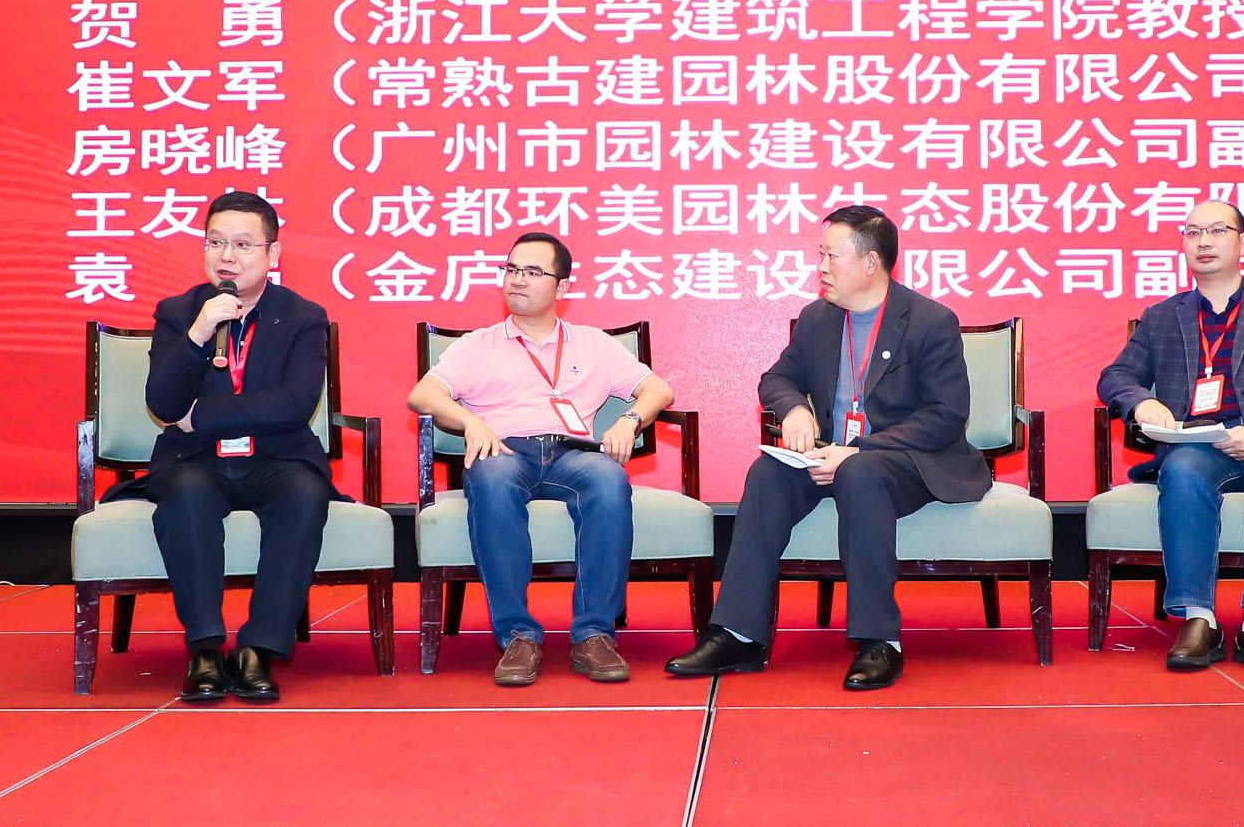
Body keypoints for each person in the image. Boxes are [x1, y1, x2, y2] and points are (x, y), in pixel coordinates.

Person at [665, 206, 989, 691]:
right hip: (831, 455)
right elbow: (776, 378)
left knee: (861, 472)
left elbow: (945, 415)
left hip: (908, 462)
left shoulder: (929, 321)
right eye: (820, 254)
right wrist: (795, 409)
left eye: (831, 256)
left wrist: (858, 450)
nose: (820, 267)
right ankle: (738, 634)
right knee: (767, 472)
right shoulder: (819, 319)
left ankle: (880, 641)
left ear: (870, 263)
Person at [407, 232, 675, 685]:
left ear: (562, 287)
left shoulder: (592, 343)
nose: (517, 280)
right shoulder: (478, 344)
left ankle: (594, 635)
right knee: (492, 479)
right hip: (505, 449)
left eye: (532, 272)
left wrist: (629, 421)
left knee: (609, 481)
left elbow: (658, 390)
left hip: (574, 453)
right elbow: (423, 394)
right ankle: (518, 635)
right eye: (511, 270)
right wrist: (470, 422)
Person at [1097, 200, 1244, 674]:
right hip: (1200, 442)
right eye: (1192, 232)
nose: (1203, 241)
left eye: (1217, 230)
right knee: (1182, 467)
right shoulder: (1162, 316)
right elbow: (1115, 376)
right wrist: (1141, 402)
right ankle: (1198, 618)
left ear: (1243, 242)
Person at [126, 190, 337, 704]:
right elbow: (162, 402)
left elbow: (294, 404)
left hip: (276, 457)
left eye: (243, 244)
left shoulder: (303, 316)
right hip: (196, 460)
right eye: (216, 242)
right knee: (187, 494)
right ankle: (204, 649)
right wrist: (198, 335)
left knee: (304, 494)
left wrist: (201, 416)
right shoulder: (178, 313)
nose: (227, 256)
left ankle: (259, 649)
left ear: (272, 253)